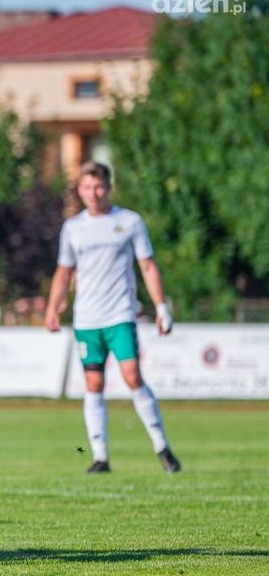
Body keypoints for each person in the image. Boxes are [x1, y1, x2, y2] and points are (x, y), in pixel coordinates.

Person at [45, 161, 181, 474]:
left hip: (120, 314)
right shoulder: (73, 227)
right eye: (87, 187)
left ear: (108, 187)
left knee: (132, 376)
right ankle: (100, 456)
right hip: (86, 319)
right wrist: (54, 307)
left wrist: (161, 307)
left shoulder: (129, 222)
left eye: (99, 186)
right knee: (93, 383)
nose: (93, 193)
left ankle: (162, 447)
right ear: (79, 190)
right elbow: (64, 271)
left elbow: (147, 265)